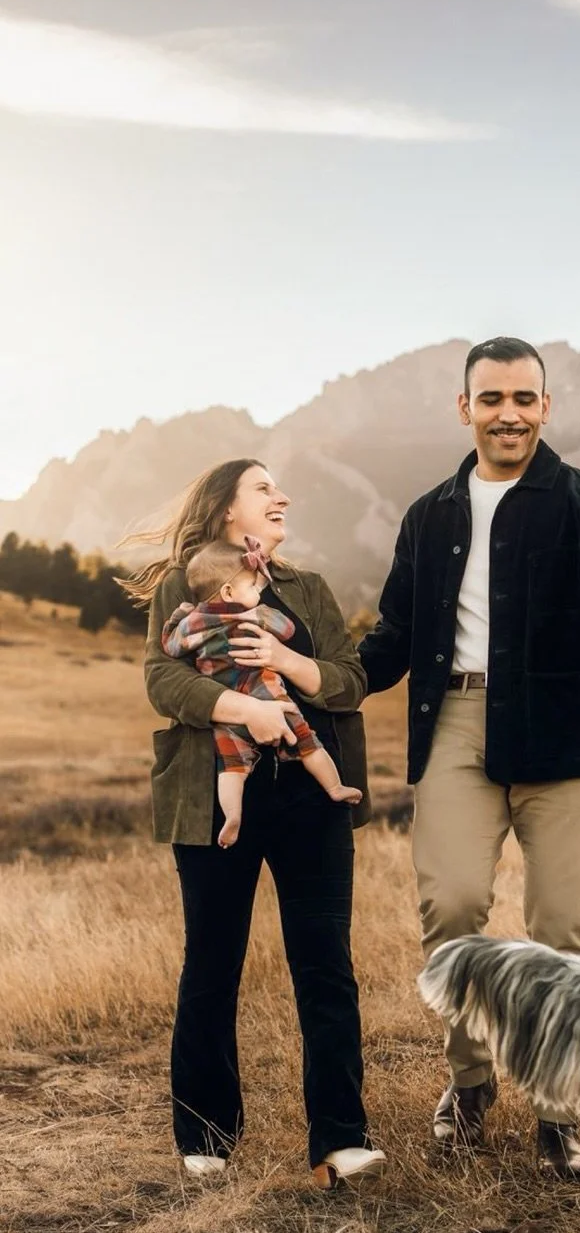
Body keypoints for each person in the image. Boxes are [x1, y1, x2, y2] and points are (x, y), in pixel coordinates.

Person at [359, 336, 580, 1179]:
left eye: (523, 398)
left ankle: (556, 1109)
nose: (508, 413)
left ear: (547, 406)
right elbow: (394, 636)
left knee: (563, 930)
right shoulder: (429, 514)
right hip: (458, 727)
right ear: (464, 406)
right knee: (453, 908)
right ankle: (469, 1085)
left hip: (565, 735)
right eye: (491, 398)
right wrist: (323, 682)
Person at [129, 459, 384, 1188]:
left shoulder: (307, 590)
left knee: (324, 964)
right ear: (226, 511)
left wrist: (285, 661)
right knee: (212, 961)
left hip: (310, 795)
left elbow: (350, 679)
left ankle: (341, 1138)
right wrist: (249, 710)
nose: (283, 497)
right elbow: (162, 679)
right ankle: (206, 1137)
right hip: (216, 795)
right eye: (265, 489)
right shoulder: (184, 585)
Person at [161, 537, 363, 847]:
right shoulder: (256, 615)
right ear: (229, 591)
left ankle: (232, 816)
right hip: (268, 697)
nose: (258, 592)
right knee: (308, 745)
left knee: (231, 769)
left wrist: (178, 617)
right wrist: (267, 619)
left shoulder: (195, 622)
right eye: (254, 586)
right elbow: (288, 630)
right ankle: (334, 787)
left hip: (225, 714)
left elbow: (172, 646)